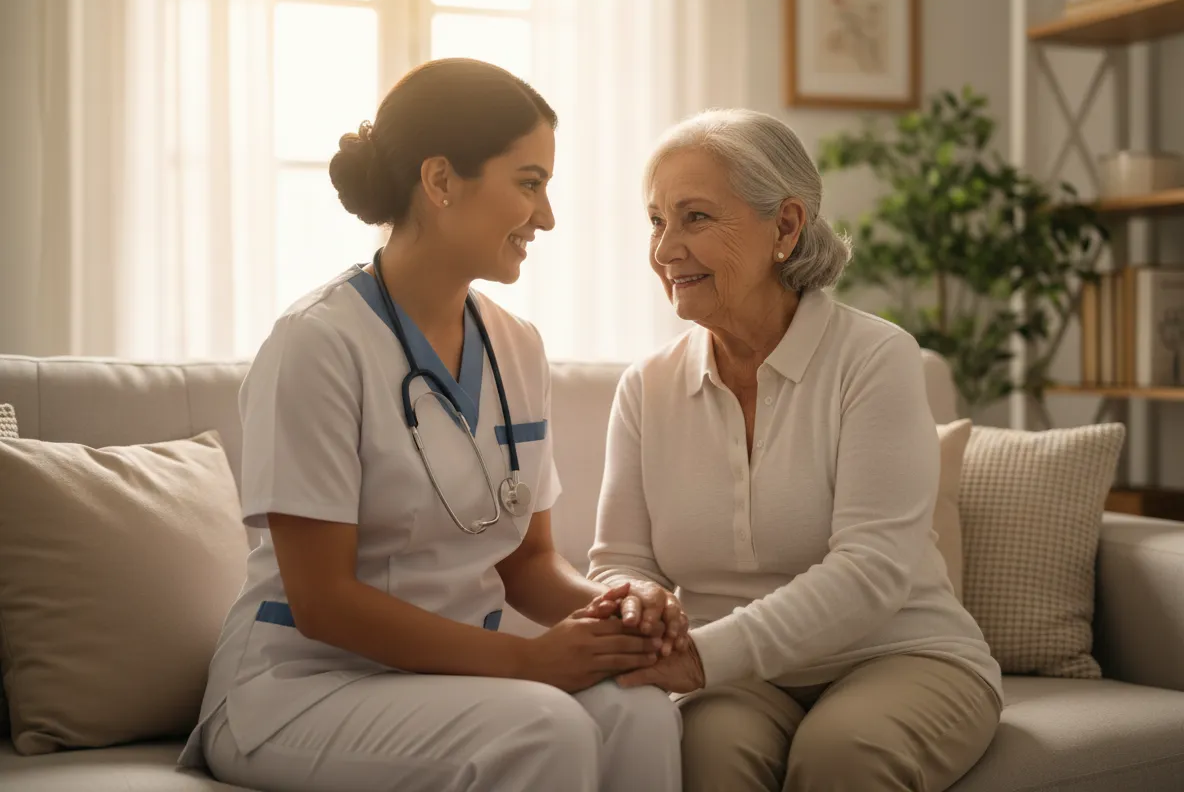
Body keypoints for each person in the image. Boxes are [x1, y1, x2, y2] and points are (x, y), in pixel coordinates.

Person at [177, 58, 683, 792]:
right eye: (530, 183)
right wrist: (530, 662)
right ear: (441, 181)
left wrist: (620, 611)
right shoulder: (318, 344)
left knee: (640, 712)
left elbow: (528, 564)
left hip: (449, 679)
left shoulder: (517, 345)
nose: (546, 217)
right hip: (301, 685)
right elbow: (323, 602)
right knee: (546, 727)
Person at [588, 108, 1003, 792]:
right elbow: (621, 562)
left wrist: (699, 657)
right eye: (656, 221)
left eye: (694, 218)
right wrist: (636, 604)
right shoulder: (647, 386)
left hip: (899, 652)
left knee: (843, 756)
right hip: (737, 678)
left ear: (785, 226)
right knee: (704, 758)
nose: (664, 251)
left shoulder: (876, 358)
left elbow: (871, 571)